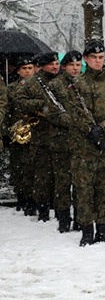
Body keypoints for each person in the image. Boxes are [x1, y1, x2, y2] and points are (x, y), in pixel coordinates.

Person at [66, 40, 105, 246]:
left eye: (101, 58)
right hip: (84, 146)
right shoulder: (76, 84)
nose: (98, 61)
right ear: (85, 59)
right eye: (93, 58)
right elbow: (75, 111)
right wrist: (91, 130)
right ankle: (86, 230)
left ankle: (103, 228)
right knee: (84, 189)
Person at [14, 52, 62, 222]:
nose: (55, 66)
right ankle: (42, 210)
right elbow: (19, 101)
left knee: (61, 177)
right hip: (41, 136)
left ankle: (60, 210)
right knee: (42, 176)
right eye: (51, 64)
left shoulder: (64, 81)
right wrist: (42, 105)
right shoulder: (33, 83)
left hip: (62, 136)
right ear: (42, 66)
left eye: (56, 63)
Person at [47, 51, 83, 232]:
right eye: (72, 65)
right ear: (64, 66)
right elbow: (52, 112)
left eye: (78, 65)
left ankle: (79, 217)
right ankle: (63, 218)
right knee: (62, 182)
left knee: (80, 182)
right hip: (61, 141)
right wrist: (73, 121)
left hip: (82, 143)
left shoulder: (86, 84)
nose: (75, 68)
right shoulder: (54, 85)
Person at [6, 56, 35, 214]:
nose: (28, 71)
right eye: (24, 69)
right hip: (18, 133)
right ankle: (21, 196)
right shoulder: (11, 88)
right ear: (18, 71)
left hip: (37, 132)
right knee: (19, 167)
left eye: (30, 68)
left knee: (34, 167)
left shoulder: (39, 86)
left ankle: (34, 198)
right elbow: (7, 110)